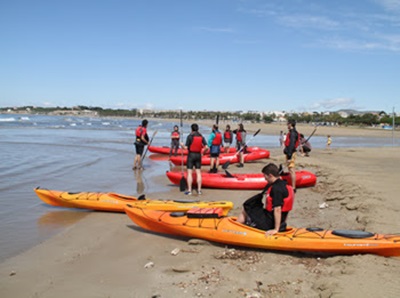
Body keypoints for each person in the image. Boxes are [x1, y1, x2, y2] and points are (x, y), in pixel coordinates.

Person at [237, 163, 294, 235]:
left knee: (247, 207)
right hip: (280, 222)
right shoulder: (284, 184)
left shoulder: (276, 189)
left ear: (270, 175)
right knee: (252, 206)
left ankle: (236, 229)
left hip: (269, 223)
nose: (265, 178)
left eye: (265, 176)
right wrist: (282, 224)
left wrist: (276, 229)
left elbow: (277, 209)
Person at [180, 123, 208, 195]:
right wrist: (203, 153)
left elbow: (186, 148)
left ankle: (189, 190)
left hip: (191, 155)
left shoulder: (190, 136)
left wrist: (182, 145)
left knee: (189, 173)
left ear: (191, 129)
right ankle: (199, 190)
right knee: (198, 173)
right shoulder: (201, 136)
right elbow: (207, 147)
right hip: (198, 155)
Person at [283, 119, 300, 192]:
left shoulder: (293, 133)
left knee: (291, 169)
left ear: (290, 124)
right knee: (290, 169)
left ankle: (293, 187)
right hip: (289, 152)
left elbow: (292, 145)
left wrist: (289, 156)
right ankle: (293, 186)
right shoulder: (292, 132)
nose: (287, 125)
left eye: (288, 124)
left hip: (291, 153)